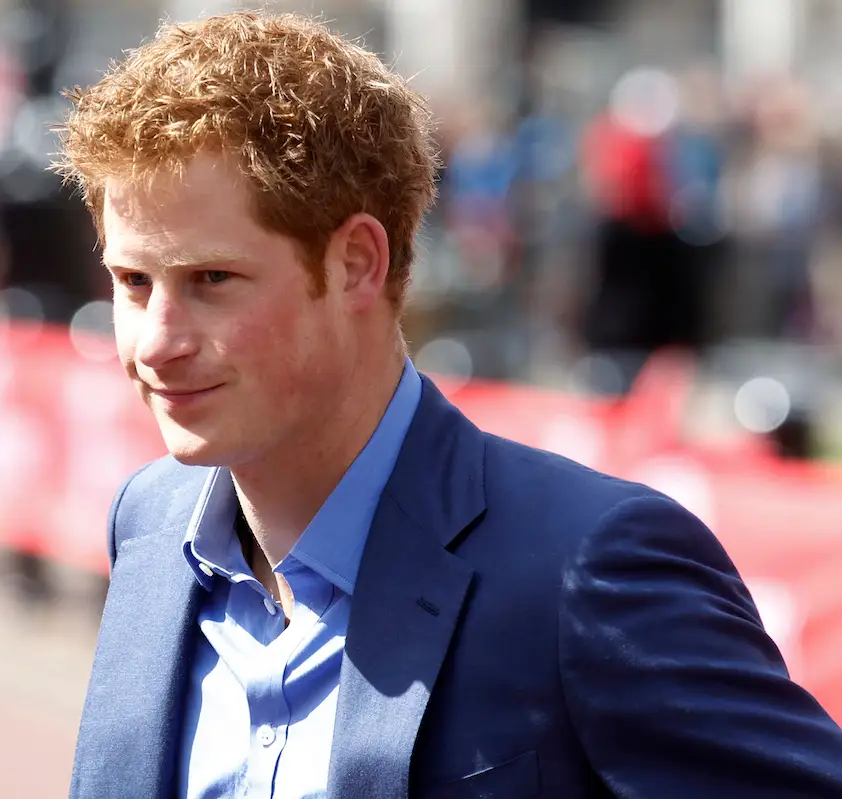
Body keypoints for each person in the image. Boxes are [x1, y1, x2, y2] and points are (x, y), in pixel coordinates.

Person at [56, 11, 842, 799]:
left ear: (358, 264)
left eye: (212, 281)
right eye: (133, 282)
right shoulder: (149, 522)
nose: (155, 343)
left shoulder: (590, 564)